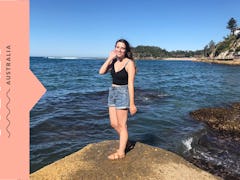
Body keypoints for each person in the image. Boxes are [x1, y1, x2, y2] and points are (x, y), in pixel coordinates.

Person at [99, 39, 137, 160]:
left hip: (123, 93)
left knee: (122, 125)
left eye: (122, 48)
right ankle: (127, 143)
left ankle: (121, 152)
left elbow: (131, 84)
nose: (119, 50)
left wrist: (132, 104)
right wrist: (110, 58)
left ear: (126, 51)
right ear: (114, 48)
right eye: (117, 47)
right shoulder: (114, 61)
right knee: (114, 124)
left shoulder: (129, 63)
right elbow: (101, 72)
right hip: (112, 92)